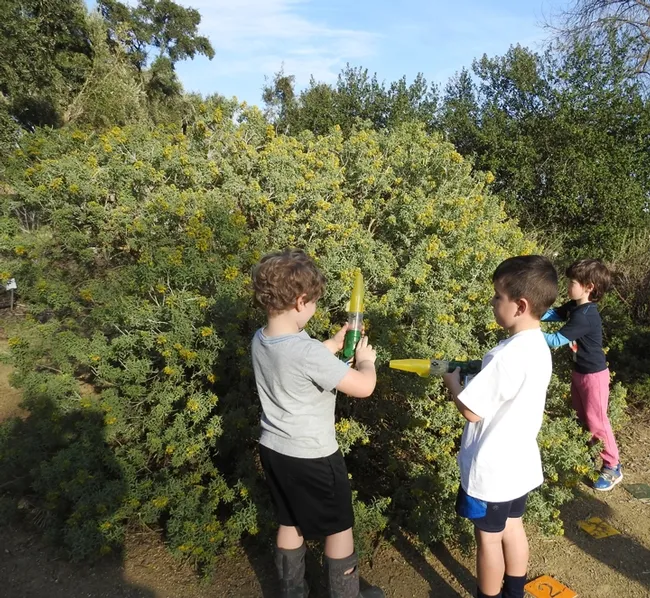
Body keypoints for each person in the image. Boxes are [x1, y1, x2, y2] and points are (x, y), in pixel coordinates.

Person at [251, 249, 384, 598]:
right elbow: (363, 387)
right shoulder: (307, 352)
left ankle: (292, 592)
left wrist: (332, 344)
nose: (314, 310)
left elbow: (295, 360)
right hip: (314, 456)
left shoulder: (261, 339)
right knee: (339, 527)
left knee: (289, 519)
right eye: (313, 304)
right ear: (300, 301)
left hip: (274, 450)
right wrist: (366, 361)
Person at [442, 255, 558, 598]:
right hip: (519, 465)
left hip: (492, 472)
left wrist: (452, 382)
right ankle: (515, 593)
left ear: (520, 305)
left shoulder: (504, 355)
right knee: (513, 527)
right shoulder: (539, 346)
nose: (493, 303)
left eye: (497, 297)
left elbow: (471, 411)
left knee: (488, 540)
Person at [541, 258, 621, 491]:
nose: (568, 285)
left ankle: (612, 466)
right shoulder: (576, 306)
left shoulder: (585, 315)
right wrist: (532, 311)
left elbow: (555, 340)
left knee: (597, 422)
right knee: (581, 418)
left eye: (573, 282)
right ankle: (586, 458)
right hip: (580, 373)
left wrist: (527, 328)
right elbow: (554, 314)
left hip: (594, 377)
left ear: (589, 287)